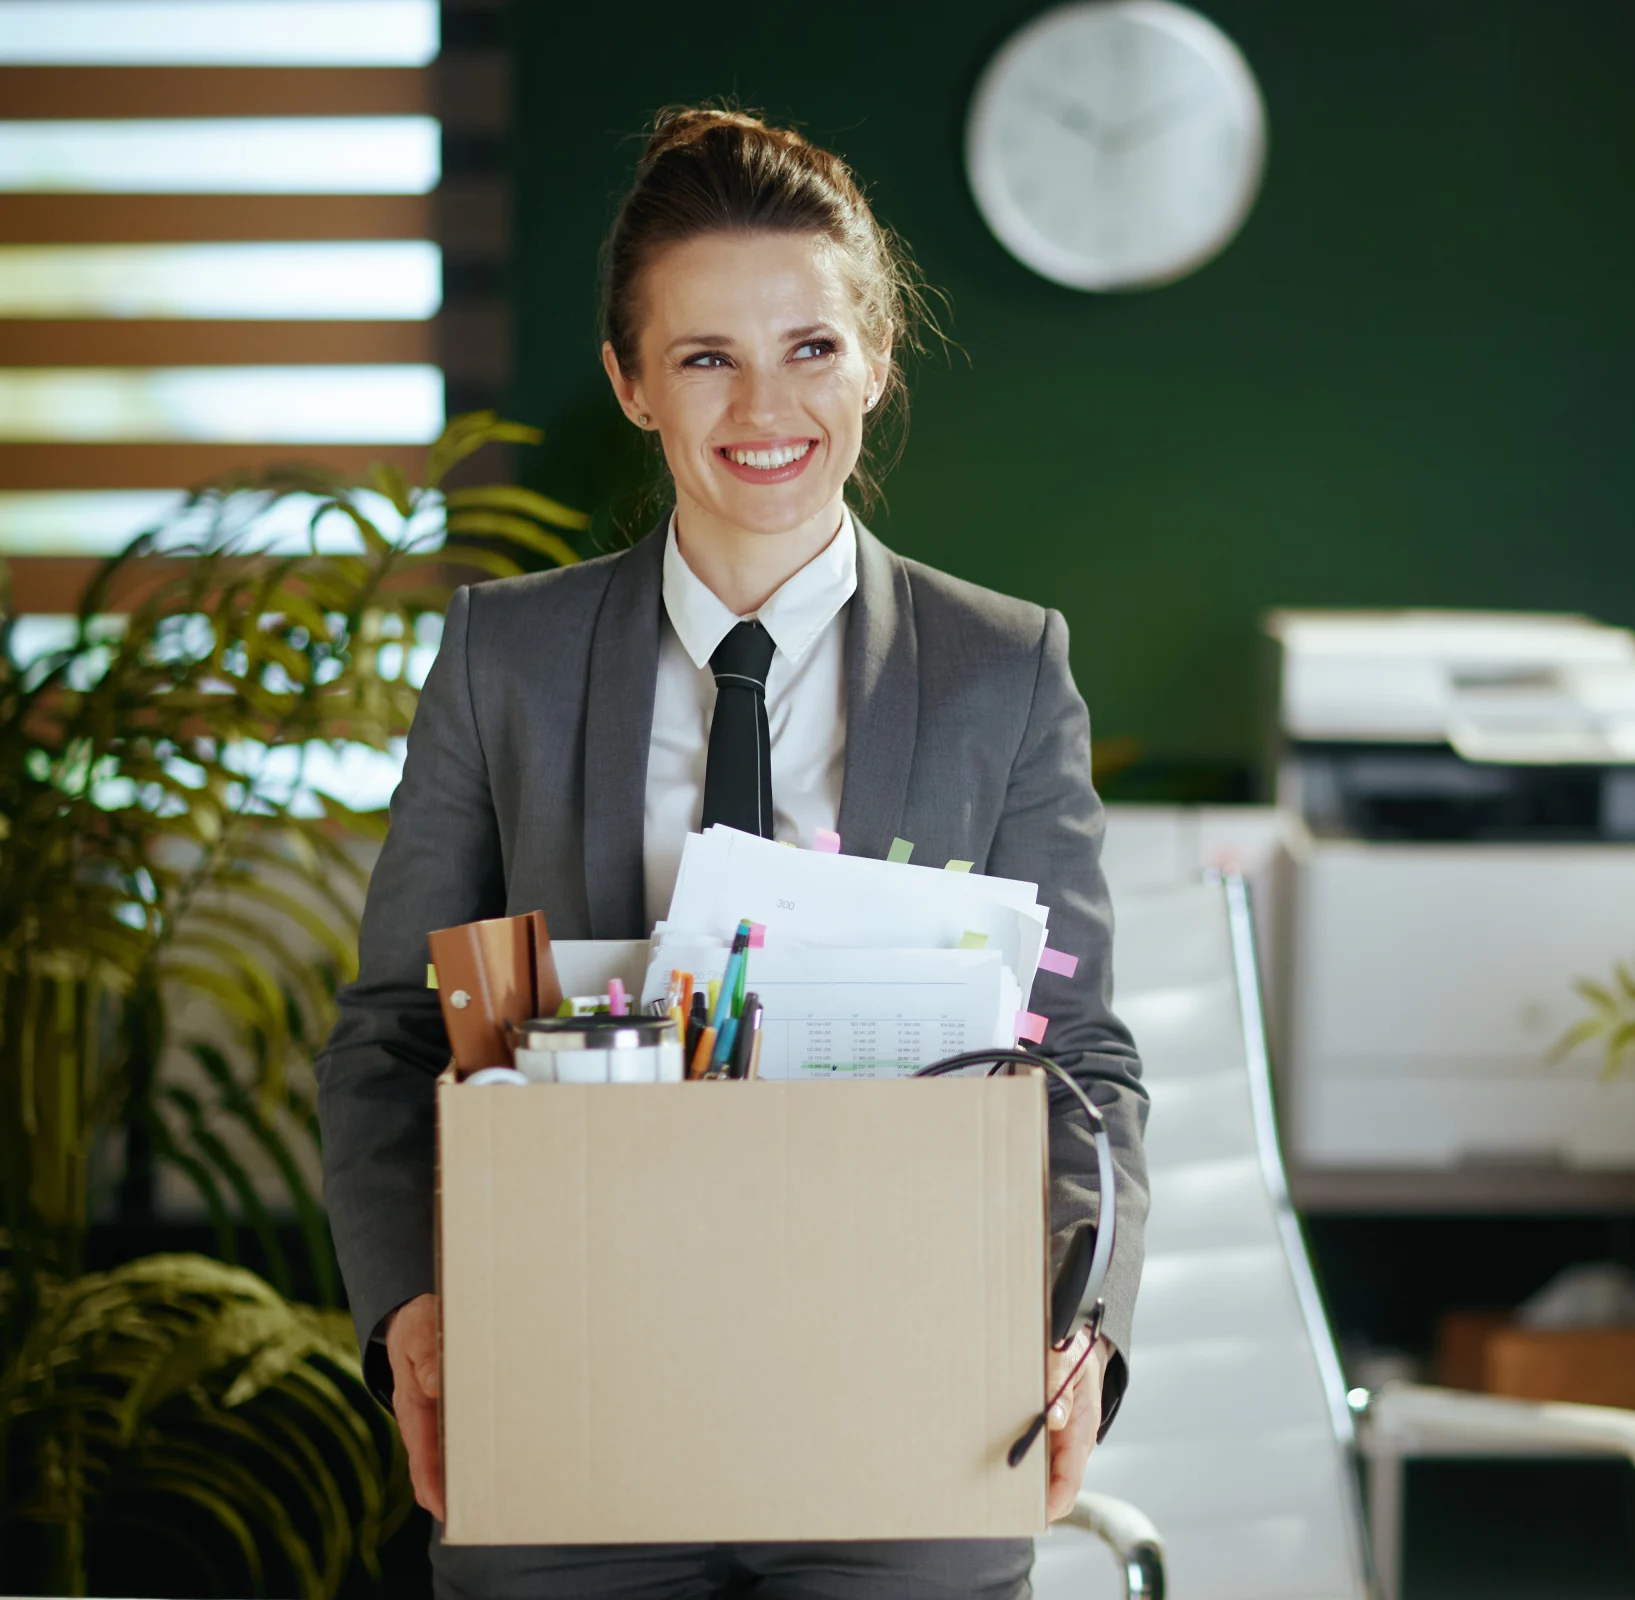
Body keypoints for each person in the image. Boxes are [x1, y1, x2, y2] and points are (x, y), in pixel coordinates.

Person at [314, 106, 1149, 1600]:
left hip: (904, 1406)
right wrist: (415, 1305)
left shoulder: (1004, 672)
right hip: (573, 1386)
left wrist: (1084, 1324)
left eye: (811, 348)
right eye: (706, 356)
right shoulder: (505, 660)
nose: (766, 404)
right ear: (633, 384)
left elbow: (1073, 1047)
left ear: (878, 359)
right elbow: (389, 1029)